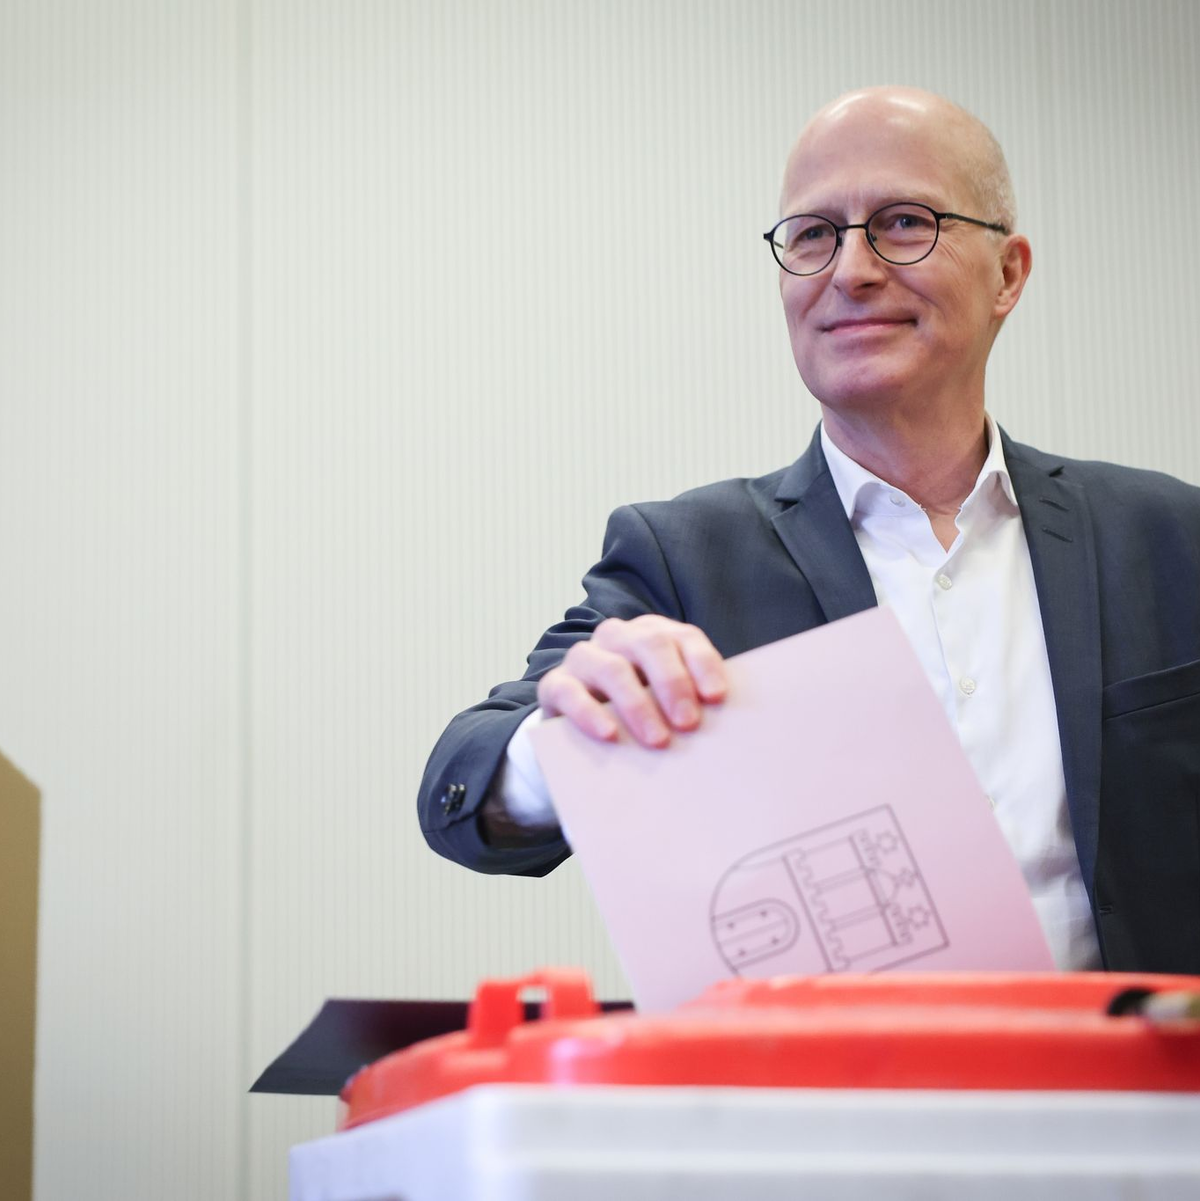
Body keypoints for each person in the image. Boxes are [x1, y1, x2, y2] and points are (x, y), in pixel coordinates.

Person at [419, 87, 1200, 974]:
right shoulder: (684, 559)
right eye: (813, 235)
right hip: (823, 1101)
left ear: (1009, 274)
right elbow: (463, 780)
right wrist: (564, 743)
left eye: (905, 223)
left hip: (1144, 1101)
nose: (851, 271)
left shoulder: (1173, 539)